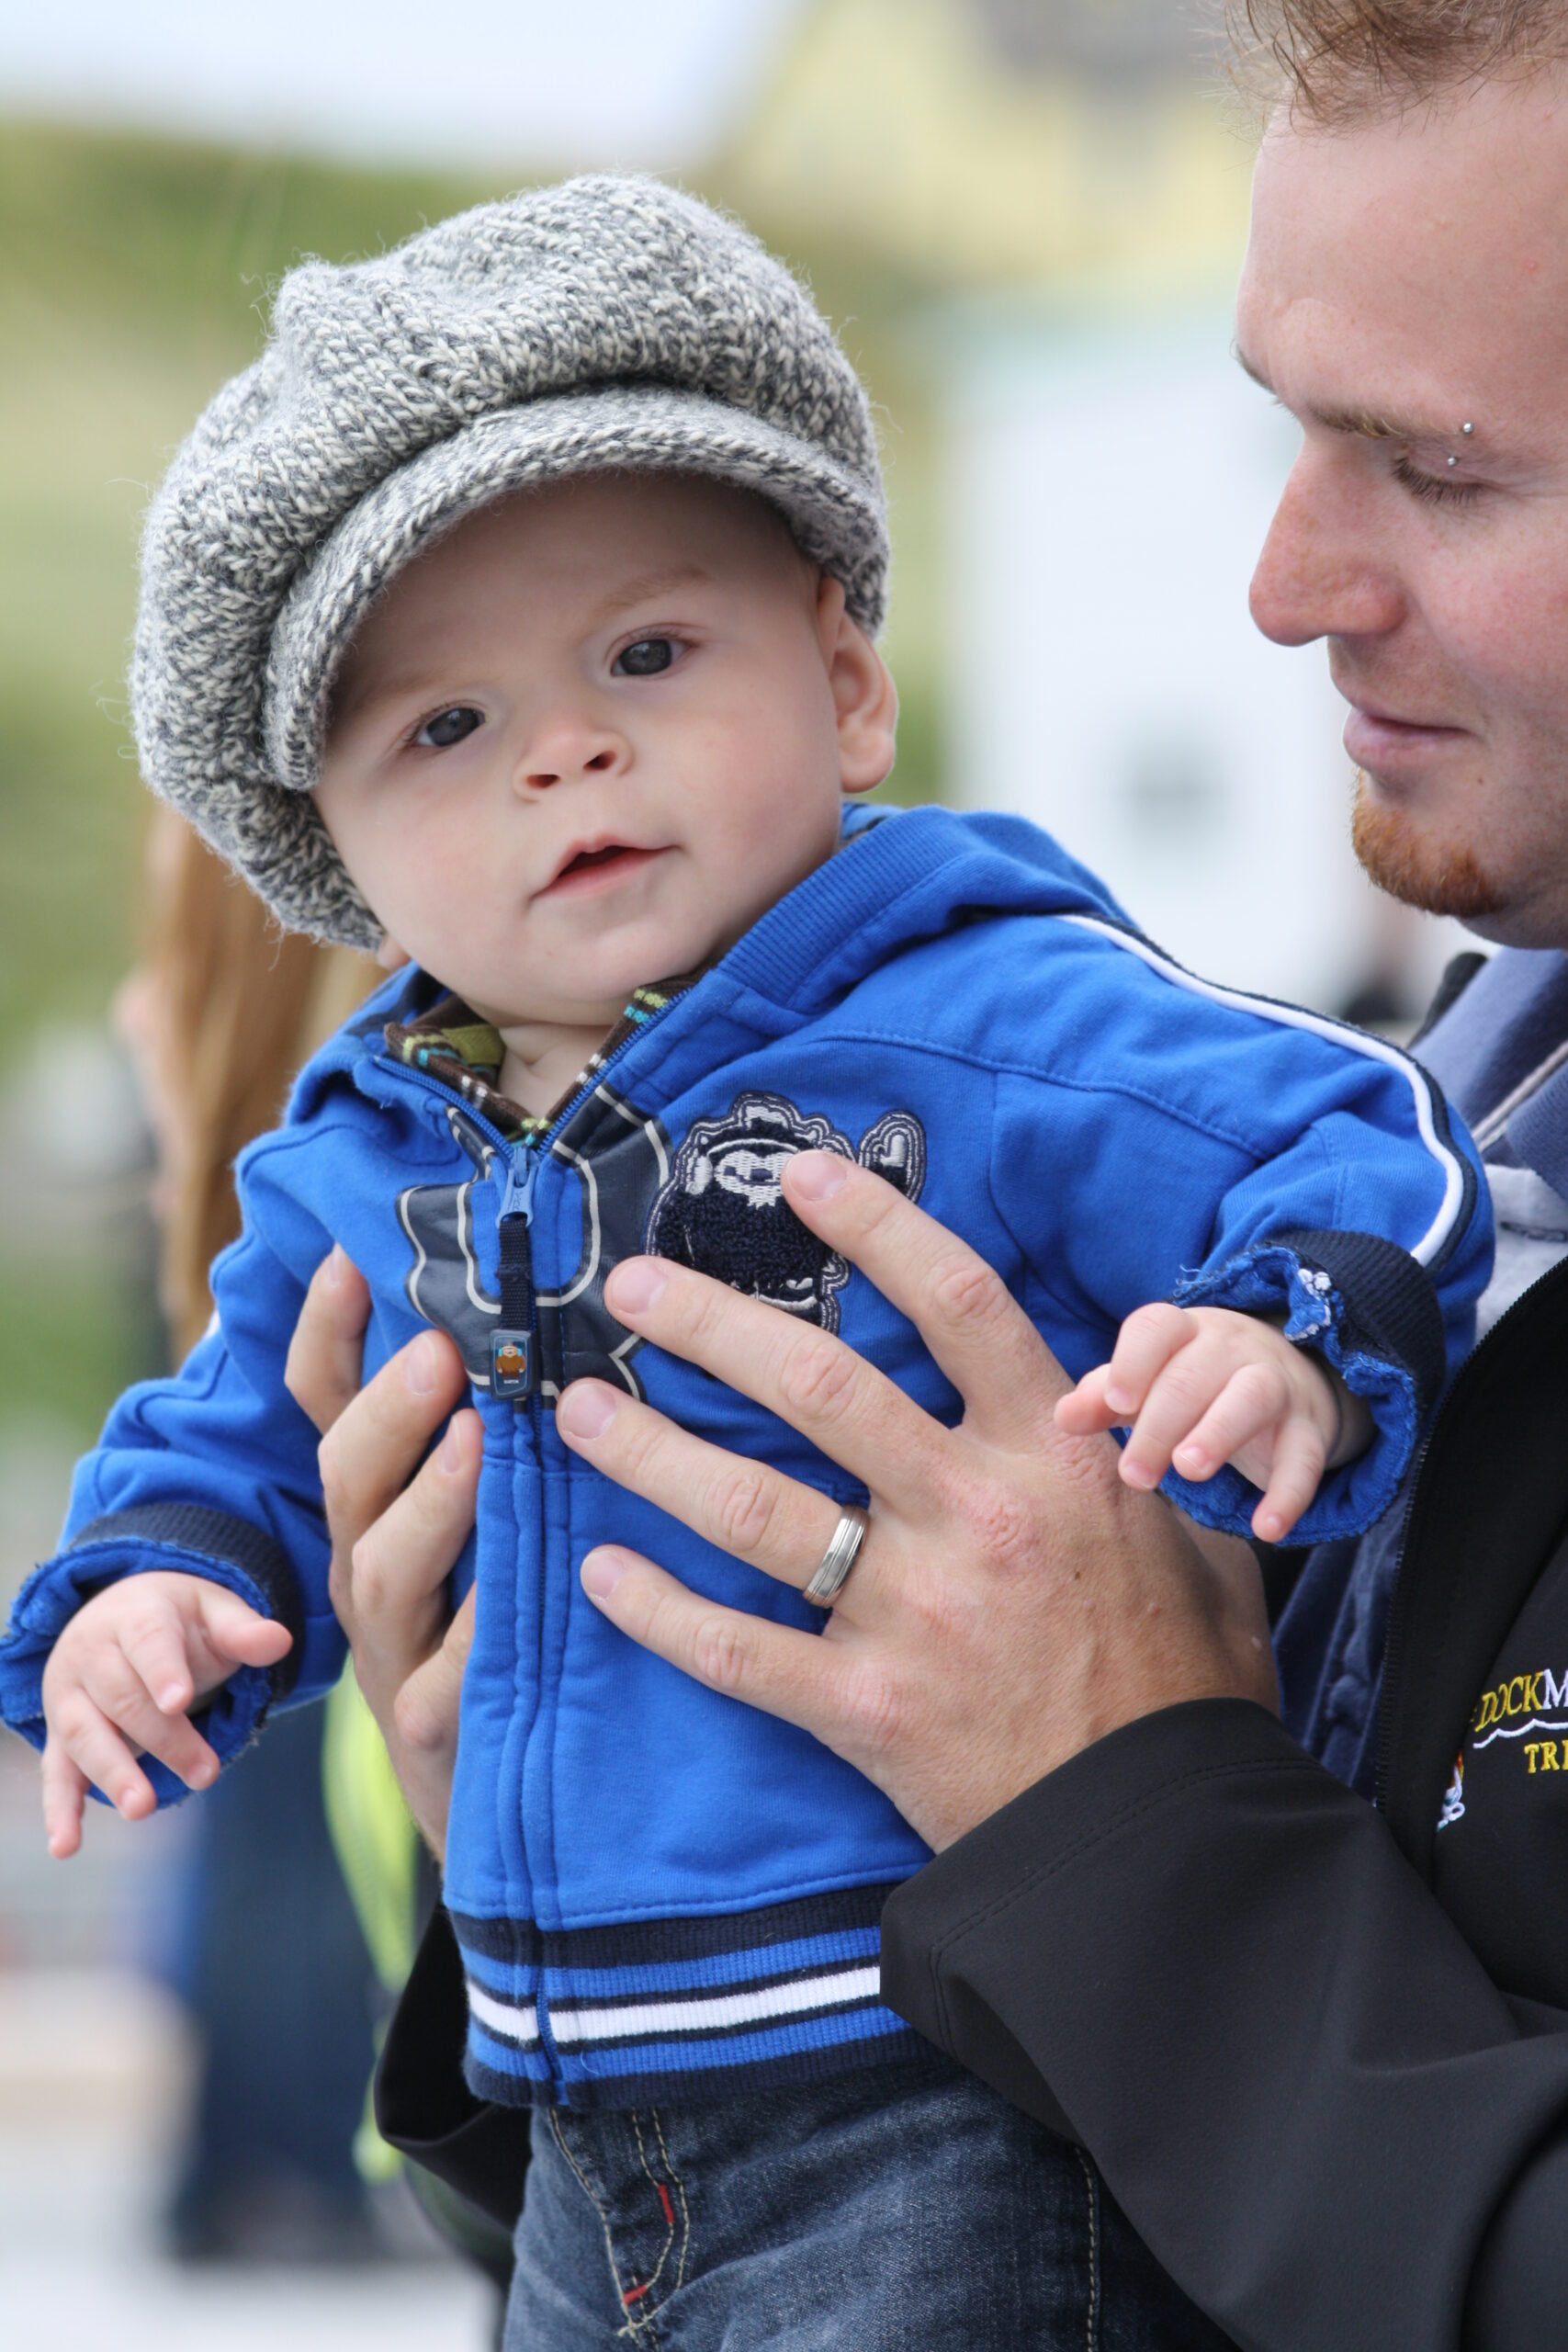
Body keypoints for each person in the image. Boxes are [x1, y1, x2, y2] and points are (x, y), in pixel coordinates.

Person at [0, 173, 1493, 2347]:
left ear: (847, 677)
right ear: (335, 861)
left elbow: (1340, 1132)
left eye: (645, 653)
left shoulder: (978, 1007)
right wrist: (146, 1595)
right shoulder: (362, 1154)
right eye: (445, 728)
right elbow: (227, 1435)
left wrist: (1281, 1338)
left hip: (945, 2071)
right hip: (568, 2109)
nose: (564, 748)